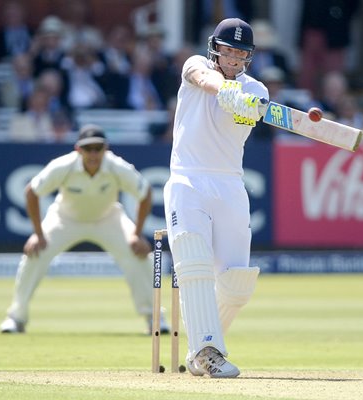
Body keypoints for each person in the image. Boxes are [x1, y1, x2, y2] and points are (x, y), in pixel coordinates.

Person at [163, 18, 267, 378]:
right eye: (228, 50)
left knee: (237, 283)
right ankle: (208, 351)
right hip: (187, 179)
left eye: (241, 52)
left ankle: (198, 348)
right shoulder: (196, 65)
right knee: (193, 263)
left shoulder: (257, 89)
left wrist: (246, 102)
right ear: (216, 48)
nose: (234, 58)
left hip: (230, 185)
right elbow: (203, 80)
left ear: (248, 56)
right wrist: (225, 89)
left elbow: (251, 109)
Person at [0, 125, 169, 334]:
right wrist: (38, 234)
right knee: (35, 253)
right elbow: (31, 192)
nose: (94, 154)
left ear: (105, 149)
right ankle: (16, 317)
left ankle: (154, 317)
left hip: (108, 218)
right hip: (65, 218)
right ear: (78, 150)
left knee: (139, 255)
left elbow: (145, 192)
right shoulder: (63, 165)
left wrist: (137, 234)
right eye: (88, 149)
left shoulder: (116, 166)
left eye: (98, 148)